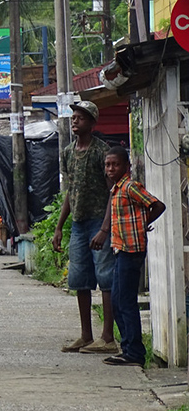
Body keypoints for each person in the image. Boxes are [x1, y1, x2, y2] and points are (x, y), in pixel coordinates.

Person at [51, 101, 116, 355]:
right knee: (79, 280)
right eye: (73, 116)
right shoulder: (67, 152)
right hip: (78, 223)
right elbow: (70, 191)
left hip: (99, 222)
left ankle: (107, 336)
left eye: (80, 117)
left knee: (106, 277)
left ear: (91, 123)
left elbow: (113, 192)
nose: (74, 121)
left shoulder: (103, 153)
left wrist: (105, 228)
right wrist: (59, 226)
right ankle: (86, 335)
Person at [91, 147, 165, 367]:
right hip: (120, 249)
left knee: (125, 302)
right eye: (107, 165)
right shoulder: (116, 189)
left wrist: (144, 224)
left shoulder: (131, 187)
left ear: (126, 166)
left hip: (132, 250)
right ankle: (128, 348)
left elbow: (157, 205)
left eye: (115, 164)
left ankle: (134, 352)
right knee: (117, 300)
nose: (111, 168)